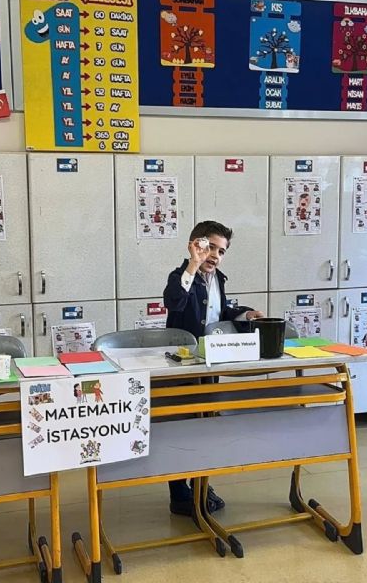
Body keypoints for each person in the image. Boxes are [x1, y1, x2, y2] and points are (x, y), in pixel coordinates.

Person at [164, 219, 264, 516]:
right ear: (196, 245)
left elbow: (219, 312)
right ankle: (179, 492)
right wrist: (193, 265)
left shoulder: (218, 279)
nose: (215, 256)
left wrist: (244, 314)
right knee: (182, 426)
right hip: (183, 366)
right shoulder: (181, 276)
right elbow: (175, 302)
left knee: (205, 422)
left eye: (221, 251)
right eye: (210, 248)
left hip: (210, 362)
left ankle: (200, 482)